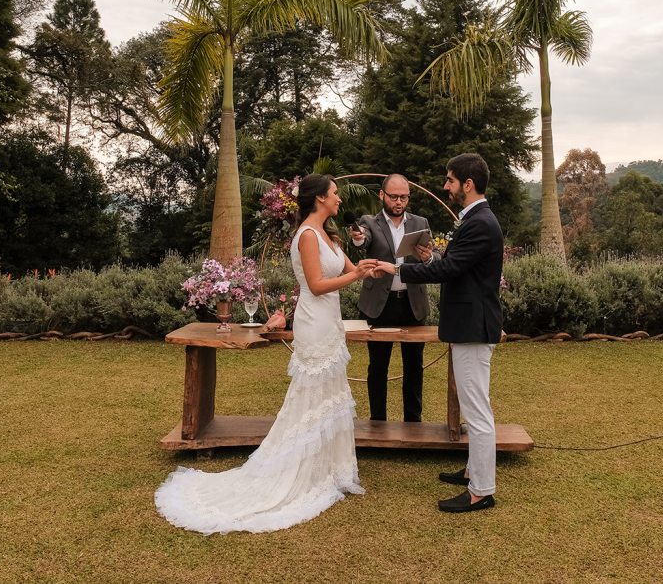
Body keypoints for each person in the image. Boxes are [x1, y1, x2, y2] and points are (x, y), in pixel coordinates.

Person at [155, 174, 380, 534]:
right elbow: (318, 285)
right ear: (320, 198)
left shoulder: (329, 235)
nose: (339, 199)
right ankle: (297, 470)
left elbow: (350, 270)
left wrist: (370, 266)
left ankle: (329, 469)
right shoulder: (306, 236)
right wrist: (355, 278)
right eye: (335, 194)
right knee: (310, 397)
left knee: (331, 394)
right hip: (314, 320)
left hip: (331, 322)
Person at [373, 154, 503, 513]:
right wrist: (430, 259)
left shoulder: (480, 222)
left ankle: (481, 490)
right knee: (474, 405)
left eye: (449, 180)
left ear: (468, 184)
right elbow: (456, 267)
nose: (445, 186)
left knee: (476, 411)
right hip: (468, 326)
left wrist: (396, 270)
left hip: (473, 328)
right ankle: (472, 473)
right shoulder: (475, 219)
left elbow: (453, 269)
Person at [350, 174, 440, 423]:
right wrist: (357, 238)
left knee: (414, 366)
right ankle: (377, 423)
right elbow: (362, 239)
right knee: (378, 367)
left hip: (413, 305)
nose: (399, 202)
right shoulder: (369, 221)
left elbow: (435, 260)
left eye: (404, 197)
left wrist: (428, 258)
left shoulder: (420, 222)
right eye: (394, 197)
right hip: (379, 306)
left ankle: (413, 423)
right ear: (382, 195)